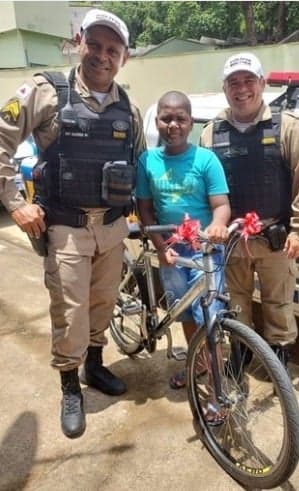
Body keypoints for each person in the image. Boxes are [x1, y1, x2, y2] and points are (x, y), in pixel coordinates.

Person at [0, 8, 144, 439]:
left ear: (124, 57)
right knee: (71, 311)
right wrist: (14, 203)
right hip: (66, 227)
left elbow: (138, 164)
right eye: (95, 45)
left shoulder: (128, 108)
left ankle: (94, 367)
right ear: (79, 42)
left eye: (113, 50)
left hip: (114, 227)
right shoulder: (47, 92)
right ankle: (69, 385)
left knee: (102, 303)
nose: (103, 56)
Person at [200, 53, 299, 368]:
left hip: (274, 239)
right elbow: (204, 186)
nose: (242, 89)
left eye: (249, 80)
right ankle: (240, 354)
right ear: (225, 88)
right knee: (235, 305)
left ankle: (278, 358)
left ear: (262, 84)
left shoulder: (286, 126)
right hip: (231, 241)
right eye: (233, 83)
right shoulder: (211, 132)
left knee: (278, 305)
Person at [134, 91, 230, 389]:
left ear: (191, 124)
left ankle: (219, 390)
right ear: (158, 122)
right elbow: (145, 209)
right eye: (166, 118)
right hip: (170, 250)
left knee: (210, 319)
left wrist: (217, 226)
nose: (173, 124)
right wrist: (162, 248)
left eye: (180, 118)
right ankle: (196, 365)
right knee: (186, 312)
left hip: (204, 251)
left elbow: (221, 205)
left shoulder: (206, 159)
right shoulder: (146, 161)